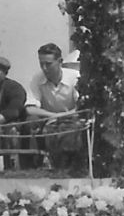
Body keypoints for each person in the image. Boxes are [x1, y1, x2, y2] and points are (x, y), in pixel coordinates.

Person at [25, 42, 86, 171]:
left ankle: (70, 169)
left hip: (73, 118)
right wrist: (53, 116)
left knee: (70, 132)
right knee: (30, 123)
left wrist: (63, 116)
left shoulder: (75, 78)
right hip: (49, 119)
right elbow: (30, 108)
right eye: (41, 64)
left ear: (60, 61)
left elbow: (82, 106)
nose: (44, 68)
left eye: (48, 64)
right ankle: (32, 167)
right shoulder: (37, 78)